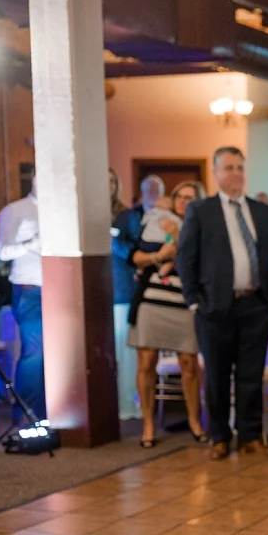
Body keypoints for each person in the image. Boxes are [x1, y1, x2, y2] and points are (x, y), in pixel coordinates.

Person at [176, 146, 268, 461]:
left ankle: (250, 436)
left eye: (240, 168)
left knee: (251, 374)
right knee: (217, 376)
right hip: (214, 307)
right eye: (229, 168)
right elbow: (185, 257)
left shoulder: (261, 211)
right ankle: (219, 436)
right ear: (216, 173)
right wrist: (194, 301)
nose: (236, 173)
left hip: (255, 305)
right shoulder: (201, 210)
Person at [127, 180, 208, 447]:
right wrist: (159, 256)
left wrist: (176, 239)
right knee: (146, 361)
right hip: (151, 300)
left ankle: (195, 421)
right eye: (179, 196)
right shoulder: (158, 222)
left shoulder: (204, 229)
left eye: (190, 197)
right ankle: (148, 426)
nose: (183, 201)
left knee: (189, 362)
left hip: (184, 302)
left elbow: (199, 263)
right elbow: (135, 257)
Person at [0, 175, 45, 422]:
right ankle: (28, 415)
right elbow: (2, 251)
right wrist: (32, 243)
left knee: (60, 354)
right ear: (34, 179)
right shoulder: (15, 211)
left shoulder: (62, 212)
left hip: (61, 289)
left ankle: (52, 414)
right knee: (34, 353)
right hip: (30, 290)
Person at [110, 168, 145, 421]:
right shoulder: (85, 214)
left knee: (124, 350)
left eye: (112, 181)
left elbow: (135, 250)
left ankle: (127, 404)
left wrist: (113, 240)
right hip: (93, 289)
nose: (107, 185)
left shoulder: (127, 216)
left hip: (121, 288)